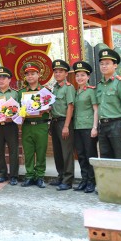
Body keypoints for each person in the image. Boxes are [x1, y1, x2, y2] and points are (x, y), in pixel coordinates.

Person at [96, 49, 121, 159]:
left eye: (107, 63)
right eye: (101, 64)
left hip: (117, 125)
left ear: (115, 65)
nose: (104, 66)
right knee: (106, 158)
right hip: (103, 126)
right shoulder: (99, 85)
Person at [18, 62, 49, 188]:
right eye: (28, 74)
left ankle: (40, 176)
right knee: (28, 151)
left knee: (41, 151)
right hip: (27, 125)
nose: (30, 76)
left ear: (38, 75)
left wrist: (48, 108)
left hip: (41, 125)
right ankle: (30, 175)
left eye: (33, 73)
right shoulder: (21, 92)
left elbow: (51, 106)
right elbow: (17, 108)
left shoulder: (45, 91)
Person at [72, 61, 98, 193]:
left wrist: (95, 127)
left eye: (82, 75)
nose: (79, 78)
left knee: (90, 154)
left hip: (88, 127)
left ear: (88, 77)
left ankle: (92, 182)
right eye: (77, 76)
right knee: (81, 155)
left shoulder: (91, 91)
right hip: (77, 127)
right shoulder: (76, 92)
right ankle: (84, 180)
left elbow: (96, 109)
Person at [49, 60, 75, 191]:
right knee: (58, 152)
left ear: (66, 73)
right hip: (54, 122)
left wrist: (66, 126)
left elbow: (70, 106)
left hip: (64, 123)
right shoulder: (55, 88)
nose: (58, 73)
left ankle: (68, 180)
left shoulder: (68, 87)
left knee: (66, 152)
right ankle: (60, 176)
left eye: (60, 71)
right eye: (56, 71)